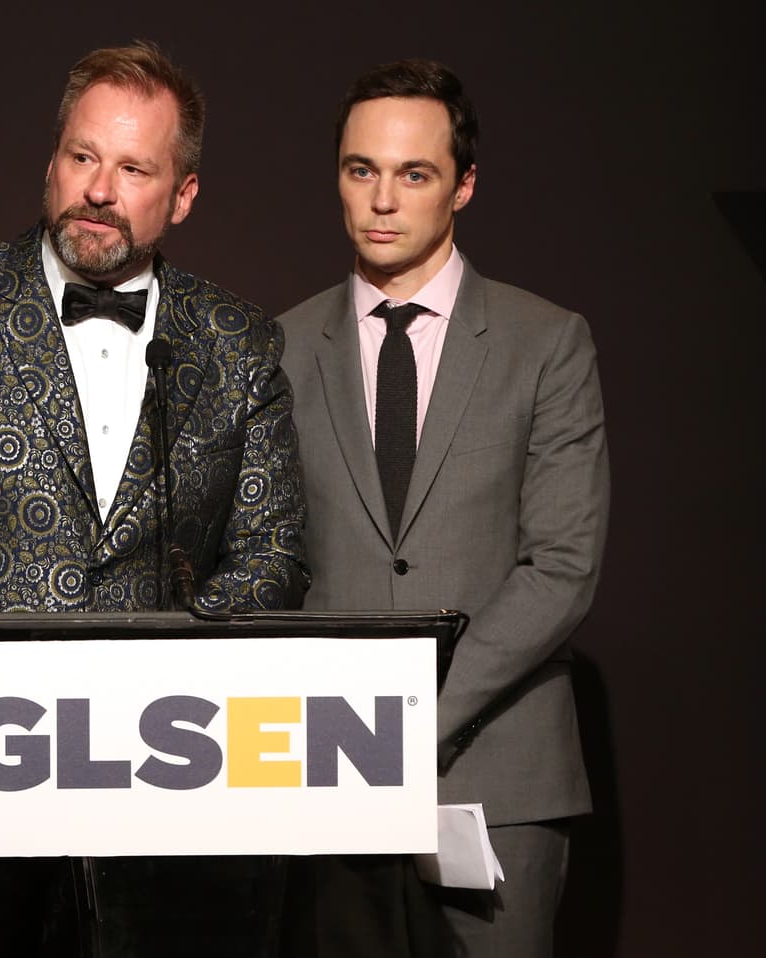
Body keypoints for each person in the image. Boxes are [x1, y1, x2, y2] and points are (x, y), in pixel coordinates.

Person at [0, 40, 308, 957]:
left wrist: (175, 682)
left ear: (182, 195)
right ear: (52, 161)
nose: (100, 189)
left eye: (133, 167)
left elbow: (273, 552)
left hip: (154, 789)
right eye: (82, 156)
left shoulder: (239, 343)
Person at [277, 59, 609, 957]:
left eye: (413, 174)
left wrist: (415, 715)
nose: (382, 200)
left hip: (497, 779)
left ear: (463, 185)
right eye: (360, 170)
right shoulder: (277, 348)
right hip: (325, 778)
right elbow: (268, 564)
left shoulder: (547, 343)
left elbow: (563, 566)